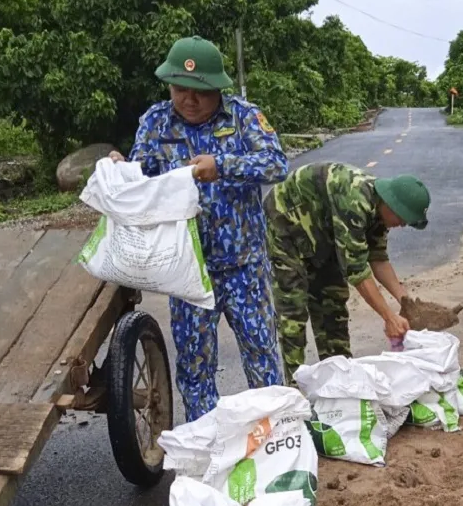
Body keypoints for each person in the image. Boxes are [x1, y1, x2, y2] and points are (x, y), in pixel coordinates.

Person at [109, 35, 288, 421]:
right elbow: (143, 177)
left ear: (217, 89)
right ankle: (208, 452)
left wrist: (223, 165)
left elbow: (276, 163)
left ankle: (275, 442)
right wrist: (121, 167)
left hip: (244, 267)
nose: (189, 100)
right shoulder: (156, 121)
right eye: (179, 90)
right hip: (189, 271)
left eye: (199, 93)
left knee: (261, 357)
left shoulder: (242, 117)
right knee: (195, 368)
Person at [264, 161, 431, 378]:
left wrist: (405, 301)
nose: (402, 225)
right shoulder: (355, 200)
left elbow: (378, 258)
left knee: (333, 303)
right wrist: (389, 317)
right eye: (401, 219)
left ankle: (340, 376)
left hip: (325, 234)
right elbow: (357, 271)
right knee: (293, 308)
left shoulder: (379, 210)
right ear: (392, 204)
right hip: (285, 226)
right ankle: (295, 385)